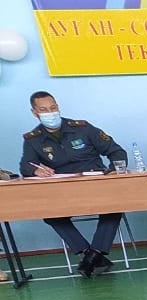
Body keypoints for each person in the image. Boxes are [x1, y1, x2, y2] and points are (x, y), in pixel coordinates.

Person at [18, 91, 127, 278]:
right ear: (34, 113)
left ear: (58, 107)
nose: (50, 113)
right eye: (44, 110)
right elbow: (25, 165)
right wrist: (35, 170)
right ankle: (88, 253)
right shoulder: (33, 139)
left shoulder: (83, 128)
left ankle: (94, 253)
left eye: (53, 108)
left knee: (115, 206)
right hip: (63, 191)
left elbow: (116, 151)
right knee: (50, 214)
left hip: (95, 184)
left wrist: (115, 170)